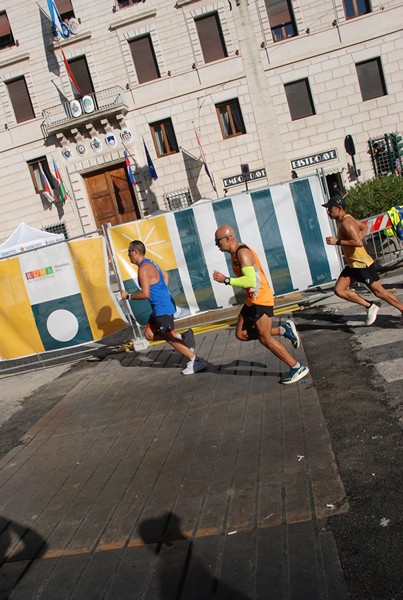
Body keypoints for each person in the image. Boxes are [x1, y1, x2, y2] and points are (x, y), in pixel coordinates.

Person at [212, 225, 309, 384]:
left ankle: (297, 367)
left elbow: (251, 280)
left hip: (261, 299)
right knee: (241, 334)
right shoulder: (234, 254)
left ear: (228, 238)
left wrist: (227, 280)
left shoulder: (243, 253)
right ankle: (283, 329)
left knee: (265, 338)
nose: (216, 245)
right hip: (252, 299)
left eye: (218, 241)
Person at [121, 240, 207, 375]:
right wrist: (162, 292)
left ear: (135, 252)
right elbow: (165, 274)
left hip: (162, 308)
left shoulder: (143, 269)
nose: (128, 255)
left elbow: (145, 293)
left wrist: (128, 296)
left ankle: (195, 360)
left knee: (169, 337)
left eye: (129, 252)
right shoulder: (150, 262)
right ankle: (184, 336)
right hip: (160, 306)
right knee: (149, 335)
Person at [323, 196, 403, 327]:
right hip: (353, 264)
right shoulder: (344, 220)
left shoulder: (346, 223)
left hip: (361, 264)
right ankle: (370, 305)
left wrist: (337, 242)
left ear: (339, 208)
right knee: (339, 290)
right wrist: (356, 238)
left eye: (330, 209)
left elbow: (358, 243)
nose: (328, 212)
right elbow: (364, 227)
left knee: (379, 292)